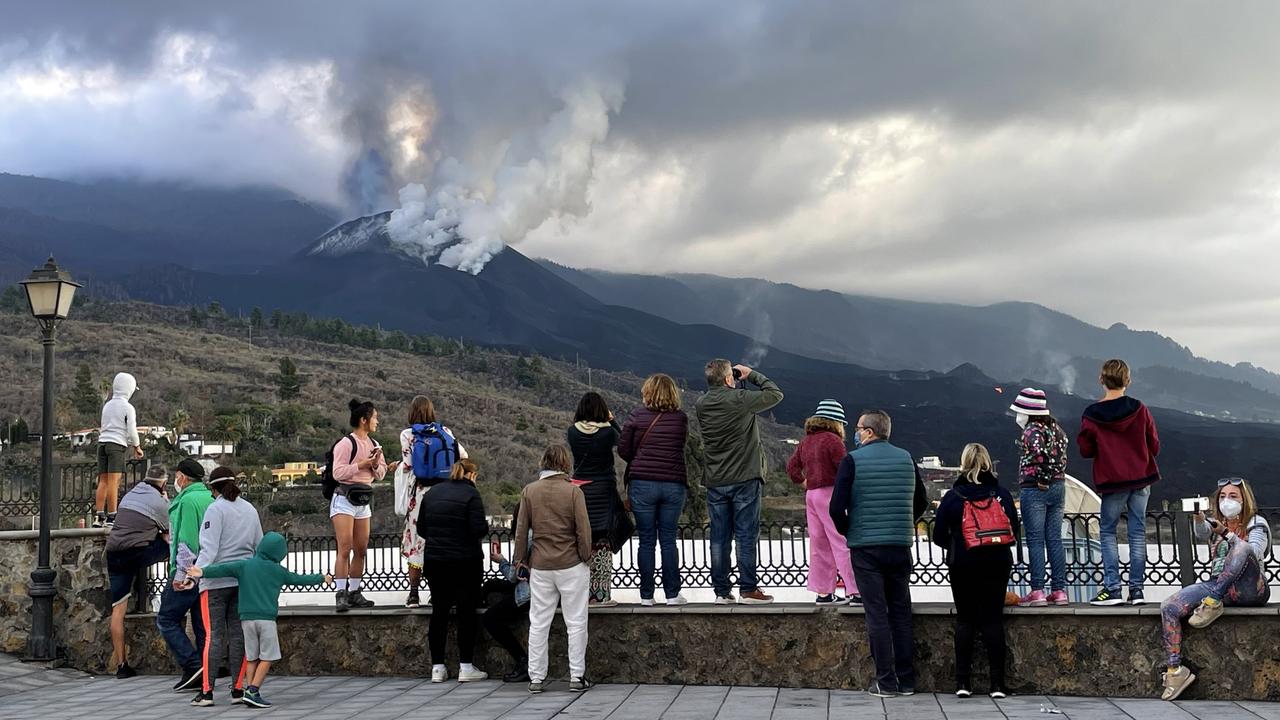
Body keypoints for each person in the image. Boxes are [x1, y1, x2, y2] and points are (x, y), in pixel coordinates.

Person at [830, 409, 928, 698]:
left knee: (877, 615)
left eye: (859, 428)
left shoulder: (852, 461)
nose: (856, 433)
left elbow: (836, 508)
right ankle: (907, 680)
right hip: (899, 545)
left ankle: (886, 682)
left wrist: (851, 531)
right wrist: (904, 522)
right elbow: (921, 500)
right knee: (901, 612)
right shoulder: (906, 458)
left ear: (870, 432)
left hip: (866, 548)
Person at [188, 532, 331, 708]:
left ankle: (248, 688)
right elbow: (299, 579)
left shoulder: (245, 565)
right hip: (266, 620)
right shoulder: (278, 571)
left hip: (246, 620)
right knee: (268, 657)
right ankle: (253, 691)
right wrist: (321, 578)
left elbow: (223, 569)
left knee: (252, 656)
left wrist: (202, 571)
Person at [1159, 477, 1271, 701]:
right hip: (1218, 584)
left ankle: (1212, 603)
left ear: (1244, 500)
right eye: (1222, 496)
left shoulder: (1257, 522)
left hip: (1249, 587)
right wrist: (1200, 519)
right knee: (1169, 607)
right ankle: (1175, 671)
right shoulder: (1220, 521)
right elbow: (1201, 534)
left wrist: (1227, 535)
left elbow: (1256, 551)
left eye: (1233, 496)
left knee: (1241, 547)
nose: (1226, 501)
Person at [930, 444, 1019, 699]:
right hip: (997, 561)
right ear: (989, 463)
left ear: (964, 463)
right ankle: (998, 685)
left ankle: (963, 683)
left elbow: (937, 536)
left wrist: (958, 544)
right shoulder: (1001, 494)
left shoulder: (953, 497)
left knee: (966, 620)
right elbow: (1013, 528)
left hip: (963, 563)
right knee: (992, 620)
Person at [694, 359, 784, 605]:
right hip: (745, 476)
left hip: (715, 478)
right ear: (727, 379)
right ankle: (748, 588)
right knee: (745, 534)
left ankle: (722, 591)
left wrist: (730, 381)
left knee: (719, 536)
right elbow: (775, 394)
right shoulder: (741, 399)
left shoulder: (701, 404)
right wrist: (752, 375)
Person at [1078, 359, 1161, 606]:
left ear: (1101, 380)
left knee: (1107, 532)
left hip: (1112, 481)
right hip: (1141, 477)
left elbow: (1085, 450)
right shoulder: (1140, 408)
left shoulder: (1091, 415)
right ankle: (1137, 591)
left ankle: (1113, 589)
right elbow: (1154, 445)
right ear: (1128, 380)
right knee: (1137, 532)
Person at [515, 445, 594, 694]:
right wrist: (585, 556)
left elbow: (521, 531)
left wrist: (520, 560)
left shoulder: (530, 491)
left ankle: (536, 678)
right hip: (571, 564)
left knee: (538, 622)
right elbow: (583, 529)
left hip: (540, 564)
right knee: (576, 621)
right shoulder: (573, 492)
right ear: (564, 464)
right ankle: (577, 676)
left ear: (543, 463)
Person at [191, 468, 263, 707]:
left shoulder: (215, 509)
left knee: (214, 637)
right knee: (238, 636)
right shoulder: (250, 509)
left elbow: (208, 550)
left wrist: (193, 575)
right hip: (241, 582)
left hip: (215, 584)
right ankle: (238, 688)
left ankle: (207, 692)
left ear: (213, 489)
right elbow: (259, 547)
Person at [618, 374, 691, 607]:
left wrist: (640, 457)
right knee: (668, 540)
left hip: (642, 484)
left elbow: (623, 449)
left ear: (648, 392)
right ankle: (672, 594)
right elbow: (681, 446)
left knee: (646, 540)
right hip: (673, 483)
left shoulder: (637, 416)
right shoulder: (681, 419)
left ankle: (646, 595)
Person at [415, 459, 489, 683]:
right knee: (466, 613)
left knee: (439, 612)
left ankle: (438, 667)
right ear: (471, 475)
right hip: (465, 562)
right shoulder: (471, 494)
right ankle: (466, 667)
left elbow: (421, 529)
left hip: (436, 561)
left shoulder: (432, 493)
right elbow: (479, 530)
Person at [786, 400, 860, 605]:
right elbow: (845, 470)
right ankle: (855, 591)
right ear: (836, 422)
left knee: (819, 544)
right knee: (841, 542)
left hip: (811, 496)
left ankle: (823, 593)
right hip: (830, 494)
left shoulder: (806, 441)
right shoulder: (833, 441)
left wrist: (803, 481)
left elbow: (792, 468)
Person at [397, 395, 467, 608]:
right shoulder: (445, 432)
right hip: (446, 494)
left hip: (421, 496)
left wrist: (397, 466)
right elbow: (463, 456)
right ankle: (443, 591)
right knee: (443, 541)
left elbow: (408, 464)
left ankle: (414, 594)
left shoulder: (408, 434)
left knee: (417, 543)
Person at [105, 463, 171, 679]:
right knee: (171, 546)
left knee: (118, 610)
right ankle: (177, 587)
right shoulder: (159, 502)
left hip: (113, 553)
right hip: (136, 553)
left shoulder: (129, 495)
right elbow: (169, 531)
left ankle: (122, 664)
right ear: (163, 483)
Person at [157, 458, 215, 691]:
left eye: (177, 476)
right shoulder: (209, 498)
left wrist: (182, 575)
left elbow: (187, 541)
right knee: (202, 625)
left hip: (188, 571)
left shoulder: (188, 501)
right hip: (208, 571)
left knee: (166, 619)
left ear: (182, 477)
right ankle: (205, 674)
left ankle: (192, 666)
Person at [1009, 389, 1070, 607]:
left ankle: (1037, 590)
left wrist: (1042, 478)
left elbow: (1038, 456)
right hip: (1059, 486)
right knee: (1054, 538)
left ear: (1028, 412)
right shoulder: (1058, 430)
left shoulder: (1031, 431)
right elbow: (1061, 458)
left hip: (1035, 488)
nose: (1017, 416)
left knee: (1035, 539)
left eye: (1019, 411)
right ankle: (1059, 590)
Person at [566, 392, 623, 607]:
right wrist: (612, 420)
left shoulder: (572, 432)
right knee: (603, 541)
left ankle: (579, 593)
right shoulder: (607, 432)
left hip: (580, 490)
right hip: (604, 489)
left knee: (582, 540)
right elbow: (624, 442)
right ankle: (600, 595)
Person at [331, 398, 388, 612]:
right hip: (344, 499)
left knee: (361, 549)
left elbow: (381, 473)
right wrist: (360, 465)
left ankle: (355, 591)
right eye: (374, 418)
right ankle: (340, 593)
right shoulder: (346, 443)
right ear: (364, 420)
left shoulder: (375, 445)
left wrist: (374, 465)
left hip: (363, 501)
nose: (377, 422)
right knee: (344, 547)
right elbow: (338, 472)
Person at [94, 372, 143, 527]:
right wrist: (137, 446)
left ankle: (99, 515)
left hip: (102, 444)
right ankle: (112, 517)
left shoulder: (107, 405)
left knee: (103, 481)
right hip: (116, 446)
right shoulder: (127, 407)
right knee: (114, 482)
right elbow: (131, 430)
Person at [484, 528, 532, 683]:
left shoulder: (526, 538)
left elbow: (514, 576)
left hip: (528, 594)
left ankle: (522, 660)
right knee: (491, 585)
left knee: (490, 618)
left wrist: (501, 561)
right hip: (536, 588)